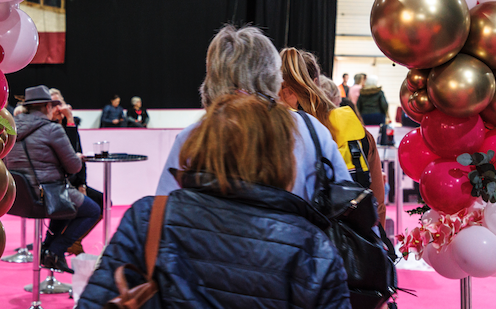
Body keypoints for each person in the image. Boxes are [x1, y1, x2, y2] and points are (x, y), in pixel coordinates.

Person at [78, 93, 351, 308]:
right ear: (283, 157)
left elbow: (97, 301)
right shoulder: (313, 248)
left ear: (202, 144)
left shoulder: (149, 218)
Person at [156, 25, 350, 201]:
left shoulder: (193, 137)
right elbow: (348, 201)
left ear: (213, 78)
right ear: (274, 75)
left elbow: (164, 213)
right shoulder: (310, 131)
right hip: (296, 237)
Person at [282, 50, 386, 225]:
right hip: (349, 242)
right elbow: (377, 204)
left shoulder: (274, 132)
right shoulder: (358, 132)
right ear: (317, 83)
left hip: (295, 240)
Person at [6, 85, 101, 273]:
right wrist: (76, 158)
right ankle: (55, 251)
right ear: (48, 107)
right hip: (48, 194)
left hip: (20, 198)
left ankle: (46, 249)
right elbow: (74, 167)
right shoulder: (52, 129)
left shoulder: (12, 129)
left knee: (68, 207)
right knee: (93, 210)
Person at [49, 87, 104, 254]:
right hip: (56, 184)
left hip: (72, 181)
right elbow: (70, 156)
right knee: (74, 207)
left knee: (103, 201)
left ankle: (75, 240)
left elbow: (79, 159)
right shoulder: (48, 128)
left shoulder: (69, 127)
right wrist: (70, 120)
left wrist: (82, 184)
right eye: (54, 104)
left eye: (61, 103)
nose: (59, 108)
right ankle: (59, 243)